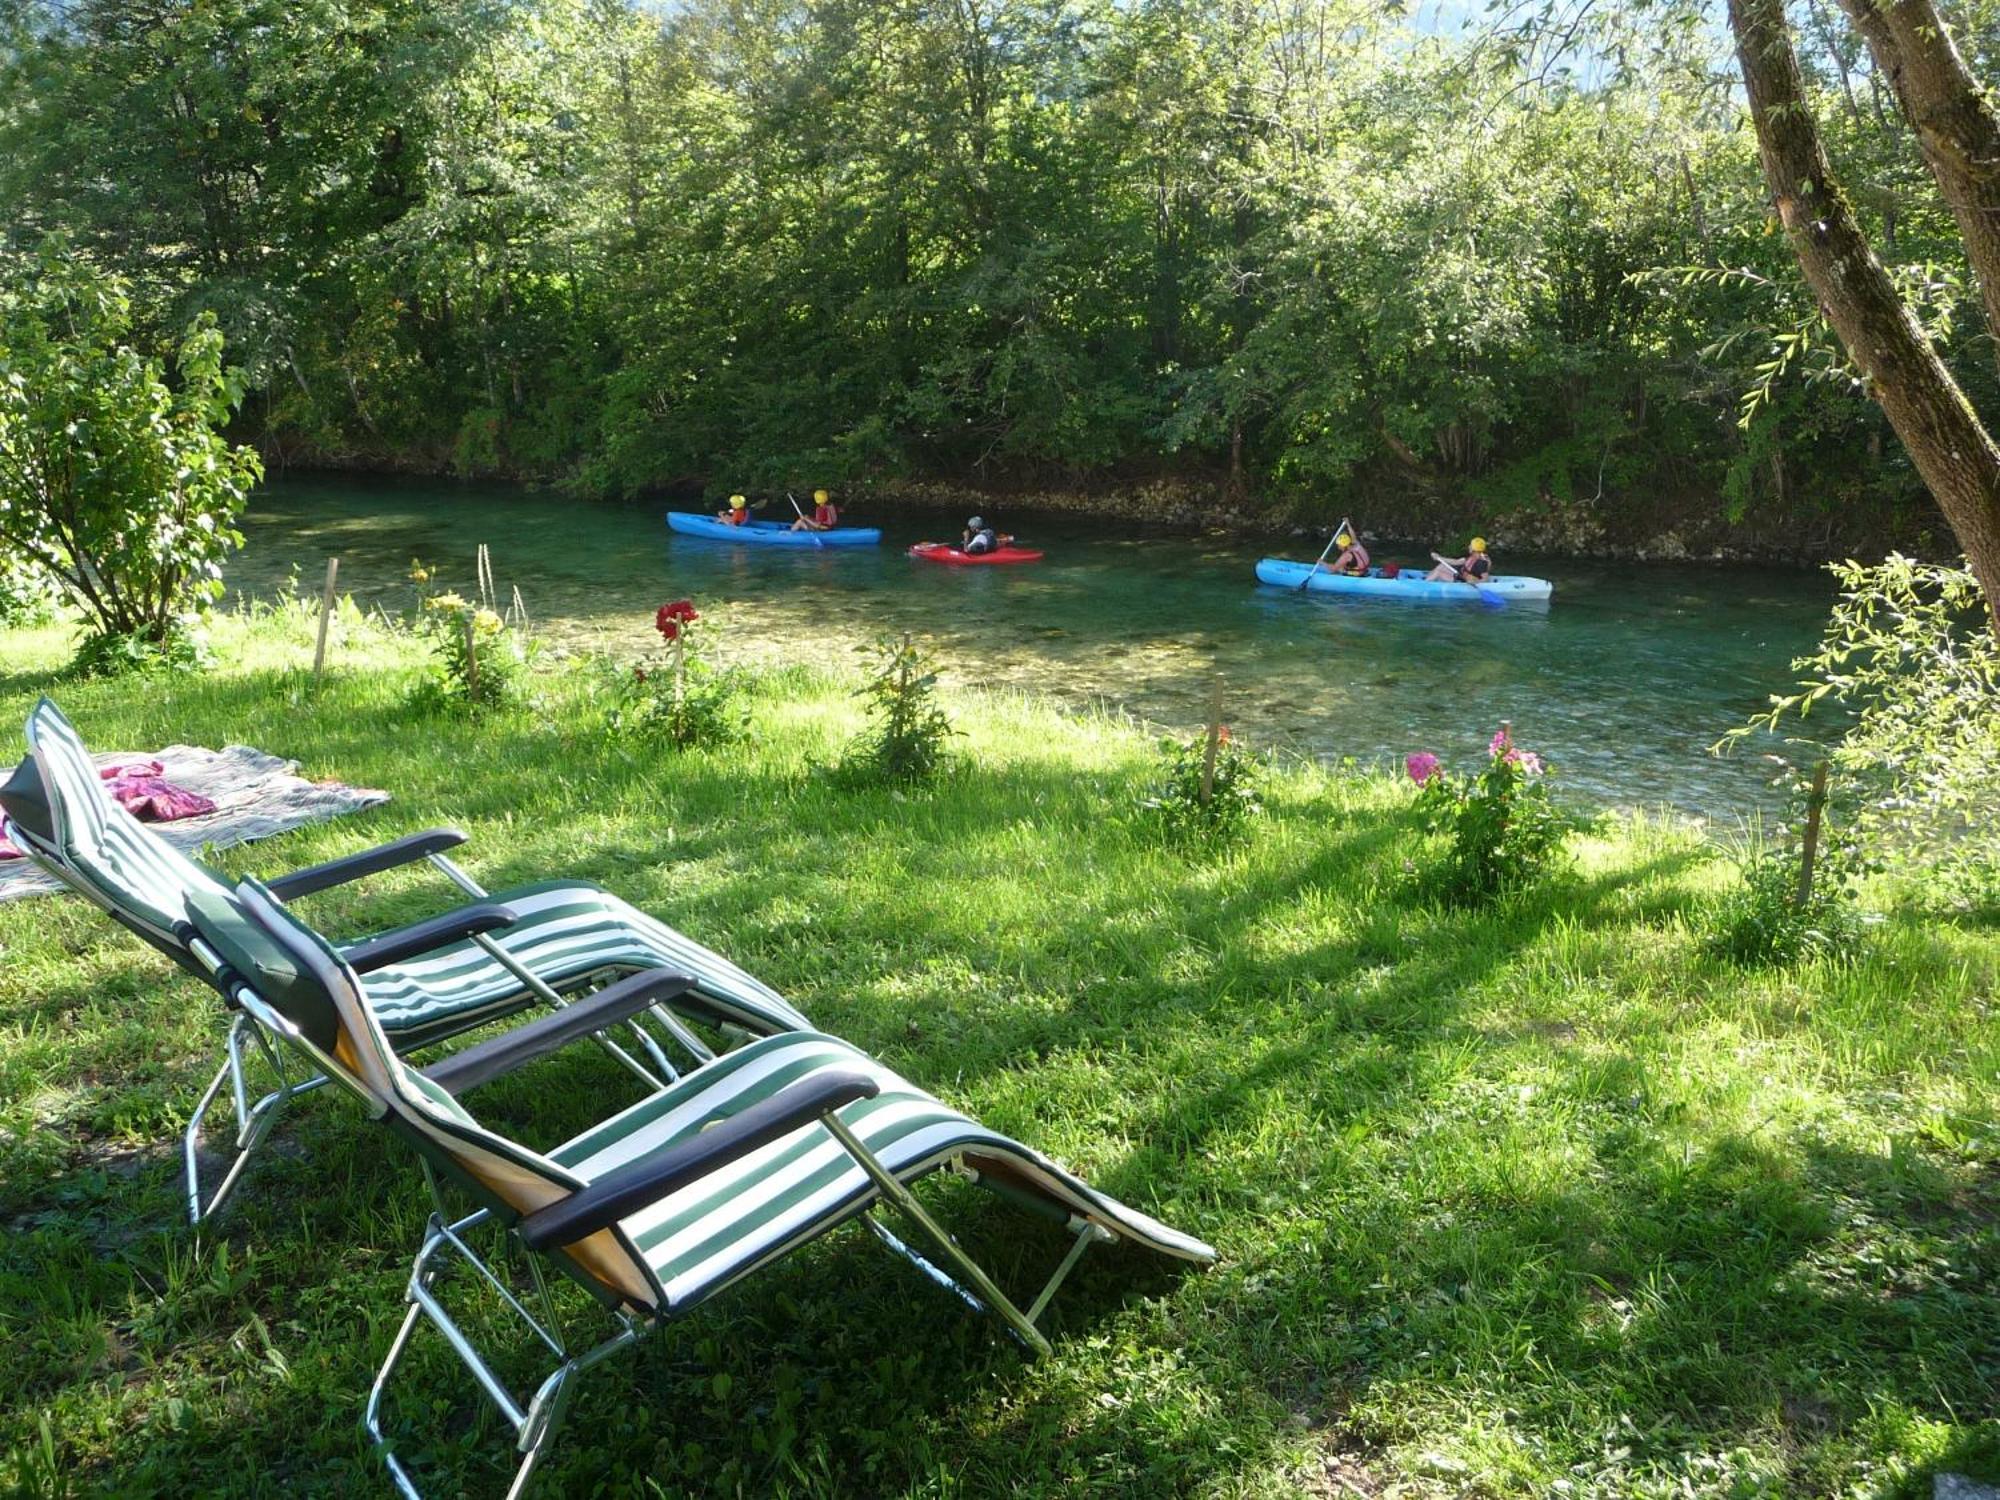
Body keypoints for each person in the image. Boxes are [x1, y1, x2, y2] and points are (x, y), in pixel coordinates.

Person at [1427, 536, 1492, 584]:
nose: (1469, 546)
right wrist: (1439, 557)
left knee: (1439, 572)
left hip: (1462, 581)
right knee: (1442, 565)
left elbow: (1485, 579)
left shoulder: (1481, 562)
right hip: (1460, 575)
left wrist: (1475, 582)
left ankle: (1424, 585)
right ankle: (1426, 580)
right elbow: (1455, 562)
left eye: (1471, 545)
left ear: (1474, 549)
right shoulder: (1473, 556)